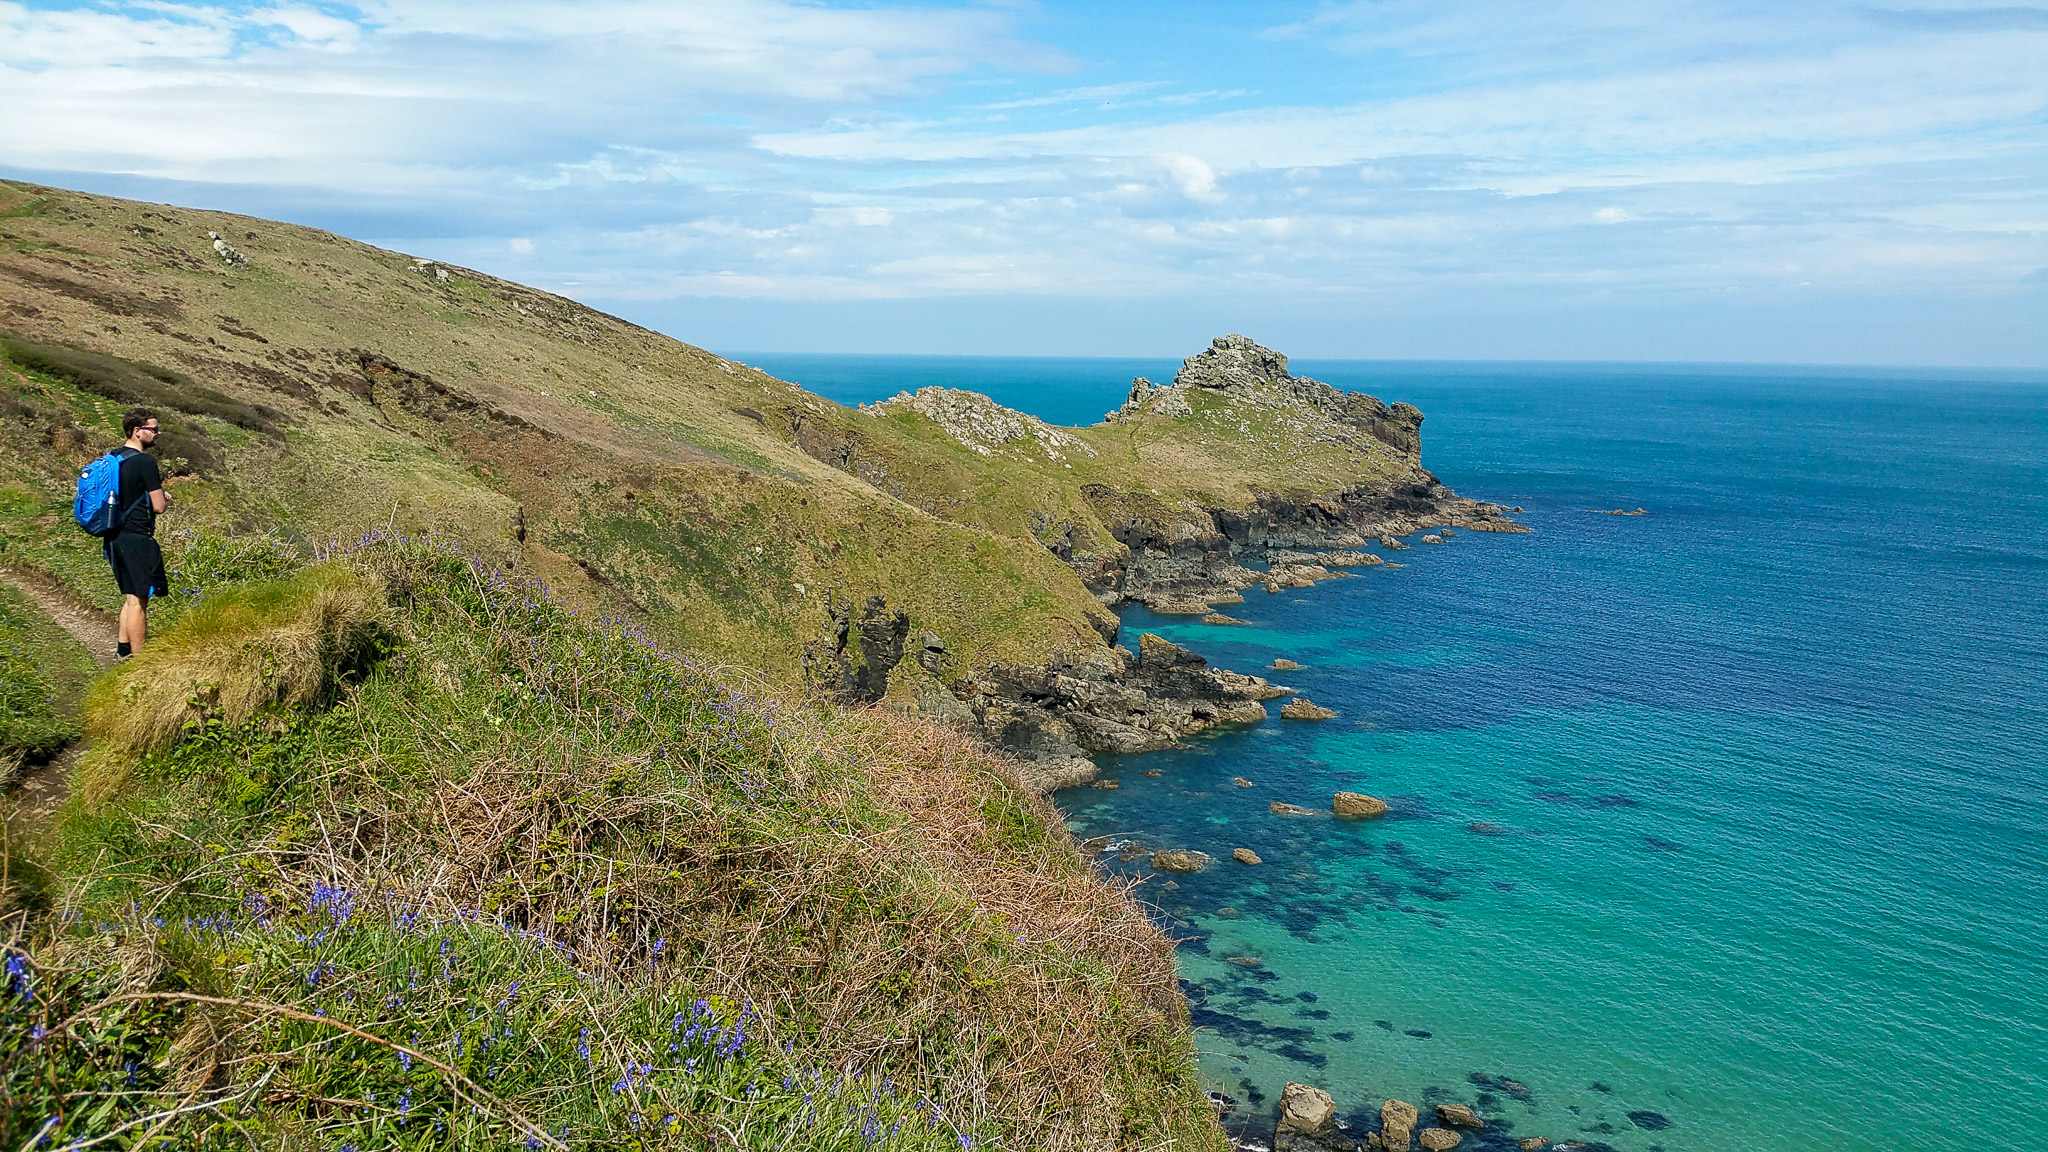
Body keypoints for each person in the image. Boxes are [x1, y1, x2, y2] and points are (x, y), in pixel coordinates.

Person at [105, 408, 169, 658]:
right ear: (137, 431)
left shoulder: (113, 458)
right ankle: (141, 660)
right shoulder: (145, 461)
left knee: (131, 595)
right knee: (139, 600)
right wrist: (163, 496)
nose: (157, 433)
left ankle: (123, 650)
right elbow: (159, 506)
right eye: (153, 429)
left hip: (114, 536)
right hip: (137, 536)